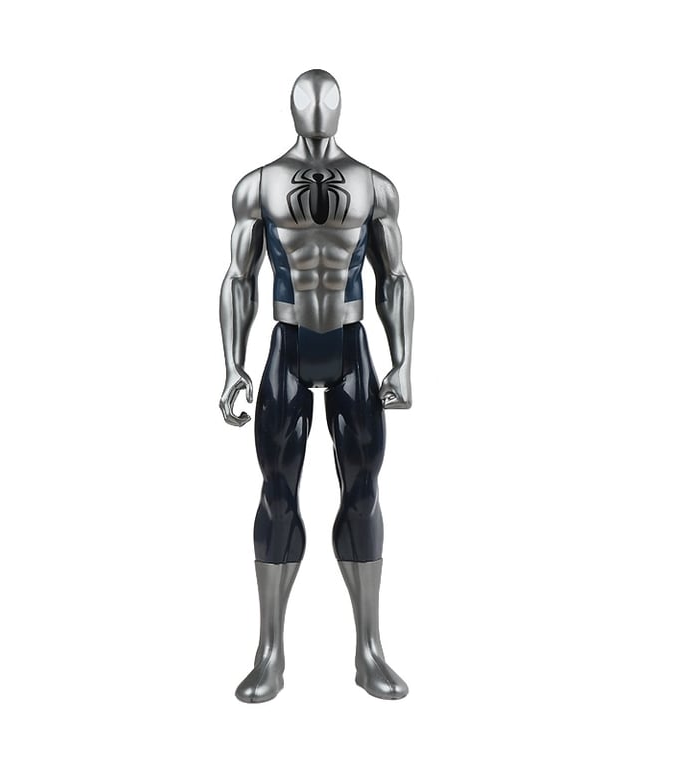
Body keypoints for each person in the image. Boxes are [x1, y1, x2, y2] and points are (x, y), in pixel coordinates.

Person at [219, 69, 414, 702]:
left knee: (363, 491)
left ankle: (369, 650)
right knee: (277, 493)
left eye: (326, 101)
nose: (318, 111)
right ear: (295, 109)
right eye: (310, 101)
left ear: (339, 109)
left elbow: (395, 277)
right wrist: (232, 365)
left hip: (352, 346)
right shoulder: (260, 185)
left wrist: (404, 361)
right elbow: (238, 279)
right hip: (289, 344)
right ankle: (269, 653)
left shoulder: (373, 185)